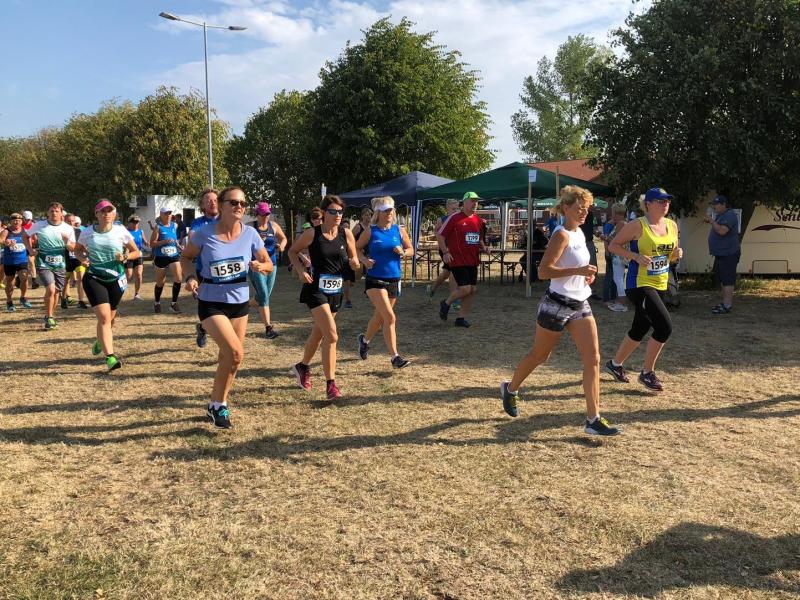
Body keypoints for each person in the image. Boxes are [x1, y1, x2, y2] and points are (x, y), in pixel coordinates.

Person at [499, 186, 620, 436]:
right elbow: (544, 271)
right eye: (580, 208)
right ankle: (510, 388)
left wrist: (585, 276)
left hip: (580, 303)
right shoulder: (561, 235)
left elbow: (576, 266)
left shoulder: (579, 232)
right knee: (540, 356)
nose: (585, 212)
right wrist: (577, 271)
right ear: (566, 208)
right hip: (556, 304)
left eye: (587, 209)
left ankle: (593, 419)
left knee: (593, 359)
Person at [181, 187, 273, 428]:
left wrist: (260, 267)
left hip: (239, 303)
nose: (239, 206)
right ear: (221, 205)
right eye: (233, 202)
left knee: (229, 358)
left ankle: (216, 403)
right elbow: (186, 257)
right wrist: (190, 277)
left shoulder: (250, 233)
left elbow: (269, 263)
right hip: (211, 302)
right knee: (235, 354)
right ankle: (218, 405)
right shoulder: (203, 234)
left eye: (242, 203)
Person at [606, 187, 683, 392]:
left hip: (660, 283)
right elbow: (613, 246)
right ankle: (647, 372)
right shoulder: (637, 225)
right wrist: (635, 257)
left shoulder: (672, 225)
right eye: (660, 201)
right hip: (639, 284)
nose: (665, 204)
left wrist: (676, 254)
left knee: (640, 327)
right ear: (648, 204)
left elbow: (669, 256)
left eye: (667, 201)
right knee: (664, 327)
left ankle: (614, 364)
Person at [288, 195, 359, 401]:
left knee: (319, 334)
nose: (337, 215)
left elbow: (354, 257)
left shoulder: (346, 234)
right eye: (332, 212)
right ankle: (331, 385)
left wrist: (355, 263)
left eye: (340, 212)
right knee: (332, 335)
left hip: (335, 290)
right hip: (315, 289)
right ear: (324, 213)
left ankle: (302, 367)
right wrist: (301, 271)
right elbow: (292, 251)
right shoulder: (313, 233)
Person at [74, 200, 141, 372]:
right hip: (94, 278)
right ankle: (110, 358)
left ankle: (100, 340)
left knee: (110, 319)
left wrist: (125, 257)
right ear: (96, 214)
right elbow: (77, 249)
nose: (106, 214)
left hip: (116, 279)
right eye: (103, 211)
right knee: (104, 318)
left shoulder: (120, 230)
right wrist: (82, 259)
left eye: (110, 211)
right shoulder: (88, 232)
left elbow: (137, 252)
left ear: (114, 214)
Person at [355, 196, 414, 369]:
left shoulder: (398, 230)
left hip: (394, 278)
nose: (389, 213)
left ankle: (364, 341)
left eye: (391, 210)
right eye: (386, 211)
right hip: (375, 279)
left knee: (380, 317)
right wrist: (364, 260)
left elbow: (411, 249)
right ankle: (395, 357)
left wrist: (403, 252)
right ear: (378, 213)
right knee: (390, 317)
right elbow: (356, 248)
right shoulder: (371, 231)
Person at [436, 191, 486, 327]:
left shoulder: (478, 220)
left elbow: (479, 237)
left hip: (473, 259)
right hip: (457, 259)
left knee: (472, 289)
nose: (475, 203)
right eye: (472, 201)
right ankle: (446, 303)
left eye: (476, 201)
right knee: (465, 289)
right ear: (464, 203)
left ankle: (461, 318)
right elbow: (440, 235)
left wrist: (484, 247)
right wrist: (445, 252)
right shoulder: (454, 218)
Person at [24, 202, 76, 330]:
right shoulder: (39, 225)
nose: (54, 213)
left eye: (57, 211)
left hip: (60, 263)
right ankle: (49, 316)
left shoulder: (68, 228)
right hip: (43, 262)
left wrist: (66, 242)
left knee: (57, 291)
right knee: (51, 289)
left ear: (61, 213)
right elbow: (25, 236)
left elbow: (73, 248)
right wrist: (30, 250)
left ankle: (50, 316)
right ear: (47, 213)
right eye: (51, 211)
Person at [249, 201, 287, 338]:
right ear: (257, 214)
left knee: (264, 296)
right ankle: (268, 328)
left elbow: (283, 238)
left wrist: (281, 246)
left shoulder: (274, 226)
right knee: (264, 295)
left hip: (272, 265)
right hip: (256, 266)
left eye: (267, 214)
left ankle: (247, 304)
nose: (266, 217)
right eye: (263, 214)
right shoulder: (250, 227)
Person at [191, 189, 220, 347]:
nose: (212, 202)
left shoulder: (226, 220)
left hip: (224, 268)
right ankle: (203, 328)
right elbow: (192, 239)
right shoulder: (198, 223)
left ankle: (207, 328)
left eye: (215, 200)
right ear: (202, 205)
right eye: (208, 200)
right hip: (204, 270)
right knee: (207, 303)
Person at [704, 195, 740, 314]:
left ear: (724, 204)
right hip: (722, 253)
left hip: (729, 253)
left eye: (716, 204)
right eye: (713, 204)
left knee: (728, 280)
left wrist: (711, 220)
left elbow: (722, 231)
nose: (714, 206)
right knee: (724, 279)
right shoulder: (721, 215)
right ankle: (725, 303)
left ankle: (727, 305)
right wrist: (711, 221)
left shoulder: (729, 215)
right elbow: (718, 228)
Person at [149, 207, 183, 314]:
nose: (168, 215)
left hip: (174, 255)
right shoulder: (158, 227)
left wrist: (179, 246)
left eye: (169, 213)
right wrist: (164, 241)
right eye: (166, 213)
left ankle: (173, 303)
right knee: (160, 282)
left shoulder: (174, 225)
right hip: (161, 257)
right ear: (161, 214)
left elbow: (174, 238)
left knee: (178, 278)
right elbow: (152, 243)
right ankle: (157, 302)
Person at [426, 198, 460, 301]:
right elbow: (436, 232)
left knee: (446, 273)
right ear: (447, 209)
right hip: (445, 250)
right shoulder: (442, 219)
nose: (456, 210)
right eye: (453, 208)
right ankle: (454, 299)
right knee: (454, 271)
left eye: (457, 208)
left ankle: (432, 288)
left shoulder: (459, 219)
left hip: (457, 250)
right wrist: (443, 246)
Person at [0, 213, 33, 310]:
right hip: (9, 261)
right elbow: (1, 240)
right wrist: (6, 242)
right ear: (10, 221)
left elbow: (29, 243)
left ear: (21, 221)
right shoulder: (6, 231)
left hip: (22, 260)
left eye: (18, 220)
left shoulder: (25, 231)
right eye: (14, 220)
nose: (16, 222)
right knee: (10, 281)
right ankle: (9, 301)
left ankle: (23, 297)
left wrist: (31, 251)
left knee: (24, 277)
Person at [600, 203, 629, 312]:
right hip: (618, 255)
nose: (612, 215)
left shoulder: (621, 224)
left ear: (617, 213)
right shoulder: (623, 223)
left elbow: (616, 241)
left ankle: (622, 303)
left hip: (618, 256)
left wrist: (604, 237)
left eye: (613, 213)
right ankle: (621, 301)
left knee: (618, 279)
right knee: (618, 279)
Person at [62, 214, 88, 310]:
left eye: (72, 221)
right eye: (68, 221)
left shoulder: (79, 231)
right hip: (65, 259)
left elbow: (82, 244)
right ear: (64, 221)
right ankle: (63, 299)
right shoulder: (61, 231)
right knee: (65, 281)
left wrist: (86, 253)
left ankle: (81, 301)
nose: (71, 223)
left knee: (81, 277)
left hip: (77, 258)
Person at [579, 205, 601, 300]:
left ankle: (592, 291)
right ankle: (581, 290)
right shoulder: (578, 213)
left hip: (589, 242)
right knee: (580, 266)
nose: (592, 205)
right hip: (580, 242)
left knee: (592, 266)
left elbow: (592, 228)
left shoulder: (591, 214)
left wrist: (597, 233)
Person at [125, 215, 148, 300]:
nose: (135, 224)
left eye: (137, 222)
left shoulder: (141, 231)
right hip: (129, 255)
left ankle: (137, 294)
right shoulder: (126, 232)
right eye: (134, 222)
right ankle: (118, 289)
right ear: (129, 222)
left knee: (138, 274)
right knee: (129, 276)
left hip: (138, 255)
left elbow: (144, 240)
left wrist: (147, 243)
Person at [21, 210, 38, 289]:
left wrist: (35, 240)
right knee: (22, 264)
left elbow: (35, 237)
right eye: (26, 219)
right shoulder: (20, 225)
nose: (28, 221)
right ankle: (19, 279)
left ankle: (34, 281)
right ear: (23, 218)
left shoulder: (33, 225)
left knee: (31, 262)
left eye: (29, 219)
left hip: (30, 246)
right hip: (21, 247)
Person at [341, 217, 355, 308]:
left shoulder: (350, 237)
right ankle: (346, 300)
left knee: (348, 282)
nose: (346, 229)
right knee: (344, 281)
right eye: (344, 227)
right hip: (338, 262)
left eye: (348, 227)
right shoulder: (337, 236)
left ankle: (347, 300)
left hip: (348, 262)